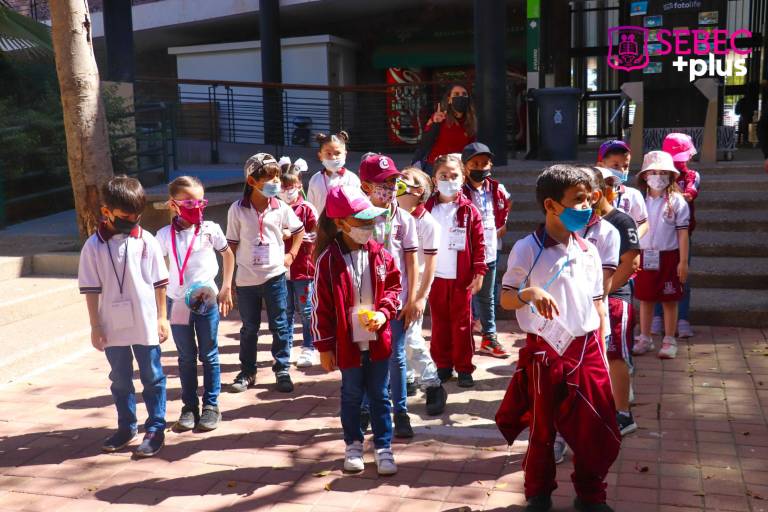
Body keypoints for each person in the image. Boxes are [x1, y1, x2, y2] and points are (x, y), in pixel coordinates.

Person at [496, 165, 620, 512]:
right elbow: (506, 298)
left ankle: (590, 496)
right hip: (545, 350)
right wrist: (530, 293)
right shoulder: (526, 248)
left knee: (595, 425)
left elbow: (598, 302)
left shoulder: (589, 250)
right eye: (578, 201)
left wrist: (602, 342)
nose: (587, 207)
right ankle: (538, 494)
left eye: (589, 199)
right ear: (551, 205)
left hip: (587, 348)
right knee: (542, 430)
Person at [78, 175, 170, 457]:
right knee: (119, 378)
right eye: (125, 215)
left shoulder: (147, 241)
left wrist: (162, 317)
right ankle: (126, 426)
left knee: (152, 376)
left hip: (144, 320)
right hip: (112, 324)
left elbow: (159, 283)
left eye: (136, 215)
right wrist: (95, 325)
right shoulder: (93, 246)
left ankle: (155, 427)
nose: (132, 220)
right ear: (106, 211)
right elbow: (91, 290)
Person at [312, 185, 402, 475]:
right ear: (340, 223)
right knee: (351, 394)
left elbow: (394, 289)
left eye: (370, 220)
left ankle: (384, 447)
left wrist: (383, 312)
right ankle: (352, 444)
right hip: (346, 344)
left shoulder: (381, 255)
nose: (368, 227)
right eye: (361, 221)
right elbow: (320, 308)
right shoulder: (327, 261)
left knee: (379, 394)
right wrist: (324, 348)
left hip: (378, 341)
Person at [156, 176, 234, 432]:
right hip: (178, 302)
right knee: (186, 356)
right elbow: (156, 270)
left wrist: (225, 287)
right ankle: (189, 406)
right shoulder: (164, 235)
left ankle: (211, 405)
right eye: (189, 202)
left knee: (209, 353)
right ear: (173, 204)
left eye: (200, 201)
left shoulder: (210, 229)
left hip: (206, 299)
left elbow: (228, 255)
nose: (196, 207)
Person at [226, 153, 306, 393]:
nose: (276, 183)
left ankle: (281, 368)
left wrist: (291, 254)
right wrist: (227, 282)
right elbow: (231, 245)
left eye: (277, 178)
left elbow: (299, 230)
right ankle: (248, 371)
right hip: (246, 280)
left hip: (275, 276)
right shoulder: (237, 210)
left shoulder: (280, 207)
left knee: (280, 324)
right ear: (252, 182)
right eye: (270, 179)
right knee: (249, 327)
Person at [358, 153, 418, 438]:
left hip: (396, 300)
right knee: (367, 355)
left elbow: (411, 261)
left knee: (396, 356)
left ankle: (401, 411)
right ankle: (366, 408)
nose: (390, 187)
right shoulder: (356, 216)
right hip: (365, 300)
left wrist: (414, 299)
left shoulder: (404, 219)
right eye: (382, 182)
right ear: (366, 185)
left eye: (393, 181)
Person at [425, 153, 486, 388]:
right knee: (439, 324)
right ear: (434, 179)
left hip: (462, 279)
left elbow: (479, 243)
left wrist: (479, 272)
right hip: (435, 277)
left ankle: (463, 367)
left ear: (463, 178)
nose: (448, 179)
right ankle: (442, 365)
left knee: (462, 325)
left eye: (454, 175)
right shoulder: (427, 209)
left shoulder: (470, 211)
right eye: (443, 175)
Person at [592, 167, 641, 436]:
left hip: (615, 300)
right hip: (590, 300)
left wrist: (604, 290)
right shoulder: (584, 221)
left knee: (615, 355)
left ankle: (623, 413)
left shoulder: (622, 221)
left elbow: (631, 263)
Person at [397, 167, 448, 415]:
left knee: (411, 337)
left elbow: (430, 266)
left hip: (416, 288)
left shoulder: (428, 224)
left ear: (419, 192)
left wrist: (419, 298)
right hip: (393, 286)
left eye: (407, 178)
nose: (400, 180)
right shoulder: (391, 214)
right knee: (398, 336)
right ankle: (407, 378)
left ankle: (433, 383)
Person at [632, 151, 690, 360]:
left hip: (669, 256)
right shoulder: (638, 200)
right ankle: (645, 337)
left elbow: (683, 233)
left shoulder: (677, 201)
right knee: (645, 298)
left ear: (671, 176)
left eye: (662, 172)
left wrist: (683, 262)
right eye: (653, 172)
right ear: (645, 176)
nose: (657, 176)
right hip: (644, 256)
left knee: (669, 300)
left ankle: (668, 339)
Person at [461, 142, 512, 358]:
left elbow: (507, 203)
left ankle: (489, 336)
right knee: (464, 293)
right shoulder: (459, 189)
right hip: (464, 251)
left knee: (488, 295)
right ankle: (463, 335)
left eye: (485, 163)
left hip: (490, 248)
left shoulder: (496, 188)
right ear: (465, 166)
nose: (481, 168)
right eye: (475, 163)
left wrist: (503, 223)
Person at [655, 133, 700, 339]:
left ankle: (682, 319)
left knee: (681, 276)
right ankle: (656, 317)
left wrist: (676, 196)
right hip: (659, 234)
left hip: (682, 234)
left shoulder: (692, 176)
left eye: (683, 158)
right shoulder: (657, 176)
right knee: (656, 274)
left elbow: (691, 193)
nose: (680, 162)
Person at [279, 157, 319, 368]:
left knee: (305, 310)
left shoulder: (307, 208)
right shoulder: (274, 207)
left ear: (299, 186)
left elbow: (315, 235)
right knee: (285, 311)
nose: (287, 191)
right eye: (283, 187)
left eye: (291, 187)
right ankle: (285, 348)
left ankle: (309, 347)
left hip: (303, 269)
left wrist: (293, 236)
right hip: (280, 270)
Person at [412, 83, 476, 174]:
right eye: (456, 94)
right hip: (435, 168)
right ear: (449, 99)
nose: (461, 97)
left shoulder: (471, 121)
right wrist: (435, 123)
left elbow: (471, 147)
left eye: (464, 94)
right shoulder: (440, 117)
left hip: (458, 169)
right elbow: (425, 143)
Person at [597, 140, 648, 239]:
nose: (621, 170)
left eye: (626, 166)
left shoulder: (633, 195)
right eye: (615, 165)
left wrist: (631, 241)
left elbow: (644, 223)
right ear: (600, 166)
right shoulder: (591, 195)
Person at [306, 131, 360, 214]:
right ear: (320, 156)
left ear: (345, 154)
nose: (333, 157)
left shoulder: (352, 179)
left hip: (346, 225)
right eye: (328, 153)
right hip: (320, 226)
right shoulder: (315, 179)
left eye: (337, 153)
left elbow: (358, 204)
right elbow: (310, 207)